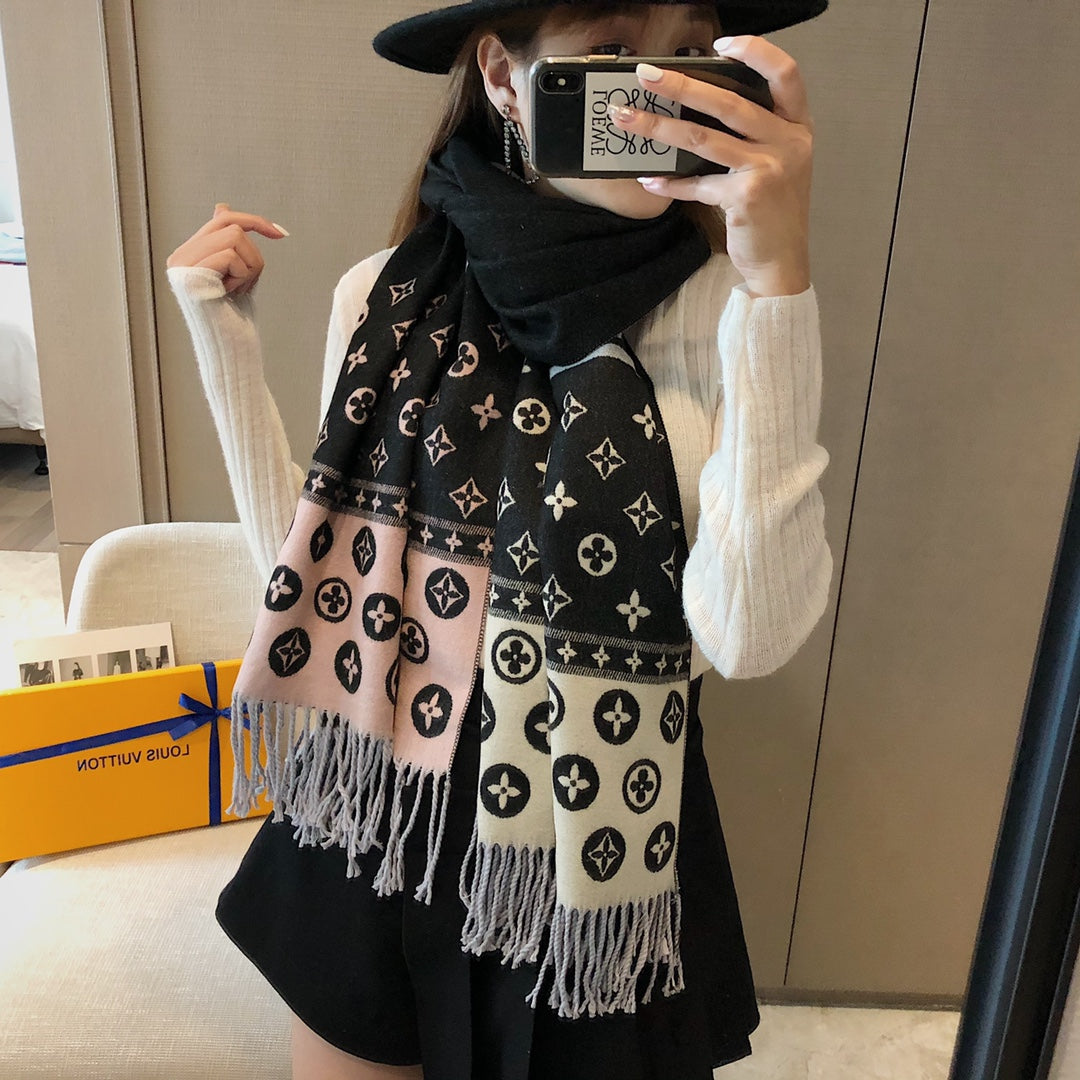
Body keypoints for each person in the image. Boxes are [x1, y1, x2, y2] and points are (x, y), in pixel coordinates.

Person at [166, 3, 832, 1078]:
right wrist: (224, 340)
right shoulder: (384, 296)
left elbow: (748, 638)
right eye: (610, 53)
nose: (655, 92)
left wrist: (780, 285)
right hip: (382, 805)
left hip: (597, 839)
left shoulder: (735, 315)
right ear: (503, 78)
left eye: (687, 53)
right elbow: (313, 586)